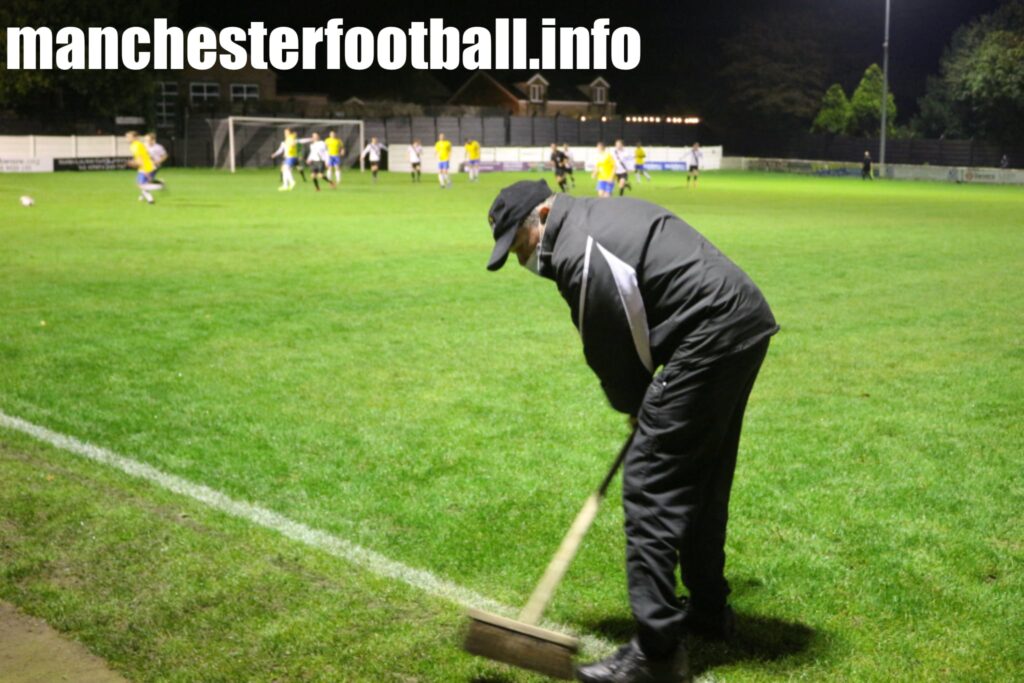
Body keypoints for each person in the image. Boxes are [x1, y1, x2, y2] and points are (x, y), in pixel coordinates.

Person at [485, 180, 778, 683]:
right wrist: (642, 402)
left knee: (650, 484)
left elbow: (612, 344)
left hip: (709, 332)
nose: (521, 259)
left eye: (520, 244)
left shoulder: (578, 249)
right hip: (740, 322)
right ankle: (708, 612)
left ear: (543, 213)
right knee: (701, 472)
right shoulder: (588, 223)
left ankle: (657, 655)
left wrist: (635, 404)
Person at [125, 131, 157, 204]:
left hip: (146, 166)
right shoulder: (135, 145)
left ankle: (151, 198)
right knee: (142, 184)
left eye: (129, 137)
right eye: (126, 137)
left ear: (135, 137)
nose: (127, 138)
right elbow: (141, 156)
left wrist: (140, 167)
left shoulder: (136, 145)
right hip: (145, 166)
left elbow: (140, 158)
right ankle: (148, 198)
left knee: (141, 184)